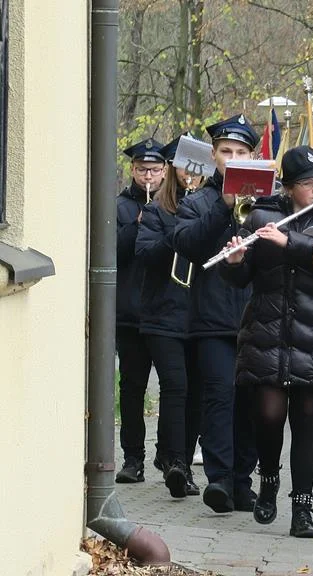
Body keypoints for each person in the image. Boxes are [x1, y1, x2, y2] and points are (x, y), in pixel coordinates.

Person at [219, 146, 313, 538]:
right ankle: (268, 478)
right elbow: (241, 277)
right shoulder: (262, 216)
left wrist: (290, 244)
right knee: (268, 415)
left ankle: (303, 509)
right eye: (307, 184)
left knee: (307, 421)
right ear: (289, 187)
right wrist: (234, 262)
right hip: (269, 332)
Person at [173, 114, 259, 513]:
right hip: (210, 318)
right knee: (219, 397)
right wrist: (224, 209)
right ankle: (220, 479)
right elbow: (188, 245)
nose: (234, 157)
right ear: (214, 155)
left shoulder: (264, 201)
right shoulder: (197, 202)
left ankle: (244, 481)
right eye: (227, 151)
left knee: (250, 404)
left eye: (242, 152)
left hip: (255, 319)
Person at [135, 135, 204, 498]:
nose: (190, 173)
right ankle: (176, 461)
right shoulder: (157, 211)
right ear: (172, 169)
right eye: (183, 164)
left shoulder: (209, 206)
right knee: (176, 385)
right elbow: (144, 254)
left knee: (194, 389)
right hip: (163, 313)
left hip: (198, 314)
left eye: (196, 166)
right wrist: (180, 235)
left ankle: (173, 456)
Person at [115, 137, 165, 484]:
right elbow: (113, 252)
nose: (149, 176)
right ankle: (133, 458)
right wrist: (138, 222)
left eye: (155, 169)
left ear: (165, 171)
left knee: (175, 386)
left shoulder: (177, 204)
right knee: (132, 389)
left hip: (166, 312)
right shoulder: (117, 206)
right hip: (130, 313)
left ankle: (168, 454)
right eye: (143, 169)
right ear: (133, 170)